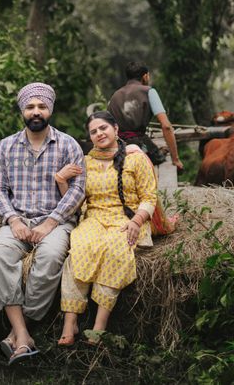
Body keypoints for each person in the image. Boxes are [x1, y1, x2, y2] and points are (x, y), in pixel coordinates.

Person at [0, 82, 85, 365]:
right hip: (18, 220)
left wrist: (51, 222)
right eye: (30, 107)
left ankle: (18, 333)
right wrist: (13, 220)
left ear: (50, 110)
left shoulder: (68, 144)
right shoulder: (6, 146)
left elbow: (78, 190)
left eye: (42, 106)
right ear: (22, 111)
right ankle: (23, 334)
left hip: (56, 221)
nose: (36, 112)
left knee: (51, 256)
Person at [58, 111, 157, 346]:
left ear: (115, 129)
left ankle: (98, 327)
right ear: (90, 137)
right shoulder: (85, 163)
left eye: (103, 128)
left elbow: (149, 197)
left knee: (115, 249)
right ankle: (70, 323)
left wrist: (137, 221)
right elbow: (75, 203)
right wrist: (62, 181)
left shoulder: (135, 158)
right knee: (80, 248)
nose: (99, 134)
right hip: (94, 219)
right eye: (93, 131)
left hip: (128, 219)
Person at [108, 62, 184, 172]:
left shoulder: (115, 95)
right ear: (145, 76)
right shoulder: (149, 92)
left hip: (117, 147)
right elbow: (166, 126)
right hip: (139, 144)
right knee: (161, 158)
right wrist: (175, 159)